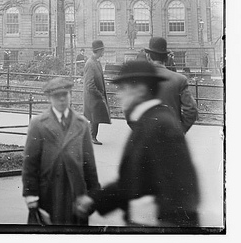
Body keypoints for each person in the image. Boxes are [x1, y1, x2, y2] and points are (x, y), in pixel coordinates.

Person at [84, 59, 200, 228]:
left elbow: (180, 193)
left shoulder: (159, 124)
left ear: (140, 89)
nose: (119, 94)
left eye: (123, 88)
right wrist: (93, 201)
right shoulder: (149, 120)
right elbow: (132, 180)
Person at [22, 77, 100, 226]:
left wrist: (94, 193)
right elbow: (30, 162)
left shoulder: (81, 124)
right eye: (57, 96)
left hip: (76, 192)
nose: (62, 99)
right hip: (48, 192)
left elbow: (89, 163)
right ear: (49, 98)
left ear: (70, 95)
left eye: (65, 94)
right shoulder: (39, 124)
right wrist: (30, 194)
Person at [145, 37, 198, 133]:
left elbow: (129, 109)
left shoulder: (140, 80)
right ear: (166, 58)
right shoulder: (180, 80)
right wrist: (180, 131)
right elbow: (191, 109)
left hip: (146, 138)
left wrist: (140, 132)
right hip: (172, 136)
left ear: (148, 56)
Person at [83, 40, 111, 145]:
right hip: (93, 96)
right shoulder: (91, 63)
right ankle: (92, 137)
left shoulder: (96, 62)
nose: (104, 51)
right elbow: (89, 84)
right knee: (94, 116)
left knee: (96, 117)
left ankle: (92, 136)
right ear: (99, 50)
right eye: (103, 49)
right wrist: (99, 94)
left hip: (96, 95)